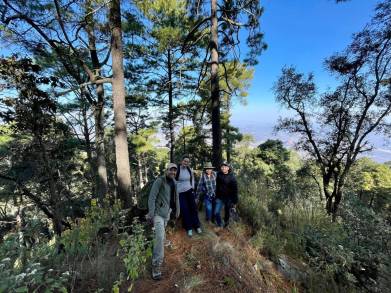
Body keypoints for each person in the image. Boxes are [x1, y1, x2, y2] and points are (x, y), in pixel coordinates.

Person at [146, 163, 180, 280]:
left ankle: (165, 242)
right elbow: (152, 197)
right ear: (167, 170)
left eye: (175, 171)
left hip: (167, 214)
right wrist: (151, 213)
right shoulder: (160, 181)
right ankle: (156, 267)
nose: (173, 172)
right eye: (171, 170)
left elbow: (176, 199)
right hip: (158, 214)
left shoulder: (175, 182)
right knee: (159, 237)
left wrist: (176, 211)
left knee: (161, 235)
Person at [176, 155, 202, 237]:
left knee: (193, 208)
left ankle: (197, 225)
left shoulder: (189, 170)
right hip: (180, 193)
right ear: (181, 161)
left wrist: (192, 187)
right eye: (185, 161)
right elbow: (174, 181)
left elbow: (192, 179)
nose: (186, 163)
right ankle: (189, 228)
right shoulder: (177, 170)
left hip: (189, 190)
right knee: (185, 210)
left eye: (187, 162)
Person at [214, 161, 238, 228]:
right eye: (222, 167)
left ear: (228, 168)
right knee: (216, 212)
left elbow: (235, 190)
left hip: (228, 198)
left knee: (227, 212)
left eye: (225, 167)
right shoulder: (218, 174)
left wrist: (235, 202)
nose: (223, 168)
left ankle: (226, 223)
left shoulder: (232, 177)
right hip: (219, 197)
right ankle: (219, 223)